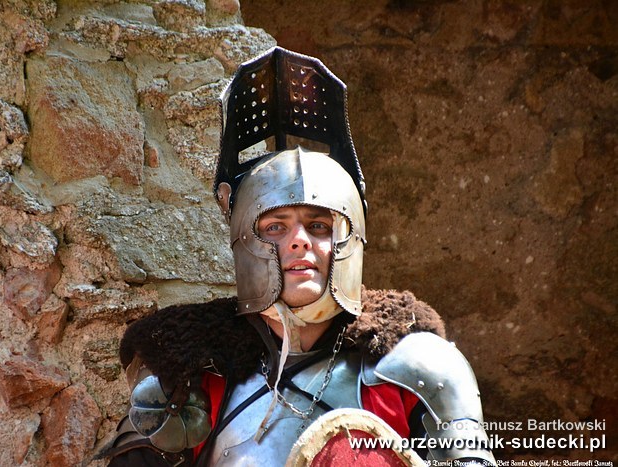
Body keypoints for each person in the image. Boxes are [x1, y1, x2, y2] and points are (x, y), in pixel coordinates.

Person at [100, 47, 496, 466]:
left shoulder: (418, 369)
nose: (299, 241)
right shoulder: (190, 374)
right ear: (244, 238)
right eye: (276, 227)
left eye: (319, 226)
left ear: (349, 237)